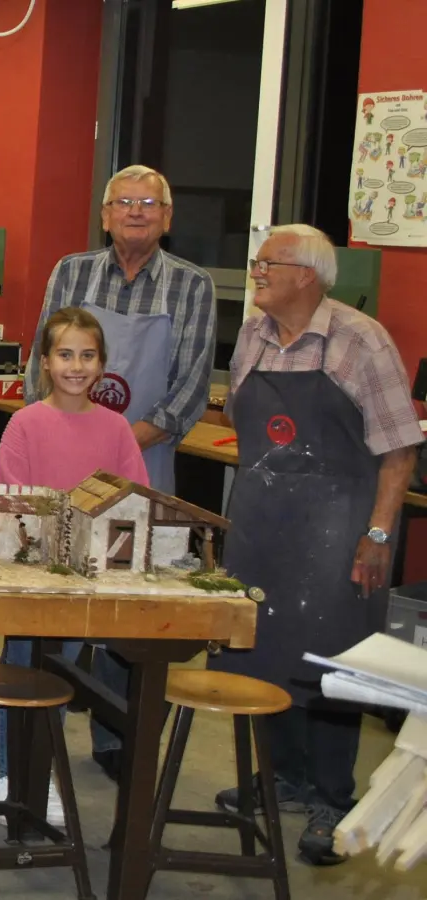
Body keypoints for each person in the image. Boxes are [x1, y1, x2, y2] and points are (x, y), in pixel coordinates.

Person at [0, 164, 216, 777]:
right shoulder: (73, 272)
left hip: (137, 457)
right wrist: (46, 428)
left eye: (149, 203)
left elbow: (190, 388)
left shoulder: (192, 286)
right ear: (104, 214)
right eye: (123, 202)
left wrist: (115, 438)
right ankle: (10, 738)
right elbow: (36, 367)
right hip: (54, 453)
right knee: (38, 614)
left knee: (123, 610)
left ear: (167, 218)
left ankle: (114, 737)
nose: (135, 212)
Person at [210, 225, 421, 866]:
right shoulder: (253, 334)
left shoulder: (360, 341)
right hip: (260, 520)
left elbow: (399, 449)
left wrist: (378, 534)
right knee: (264, 649)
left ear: (307, 275)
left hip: (337, 526)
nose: (256, 273)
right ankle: (281, 779)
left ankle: (332, 797)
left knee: (331, 660)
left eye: (267, 263)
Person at [0, 307, 148, 827]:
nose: (75, 366)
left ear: (102, 365)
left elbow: (133, 500)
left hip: (90, 579)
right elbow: (15, 502)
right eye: (64, 355)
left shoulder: (117, 428)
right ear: (45, 362)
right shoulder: (25, 422)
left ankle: (45, 771)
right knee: (21, 671)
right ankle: (12, 773)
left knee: (58, 683)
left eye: (87, 355)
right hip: (33, 577)